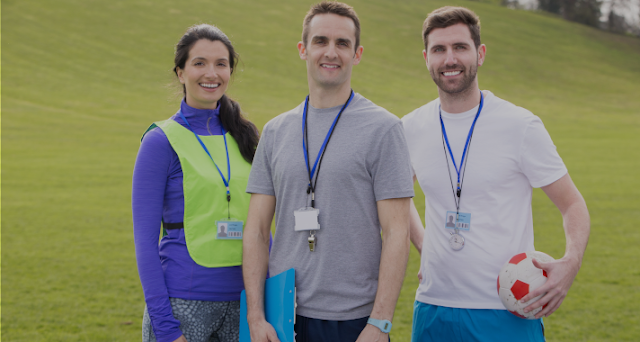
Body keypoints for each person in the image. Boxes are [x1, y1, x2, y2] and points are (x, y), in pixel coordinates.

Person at [402, 6, 590, 341]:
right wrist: (425, 243)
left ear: (480, 53)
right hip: (432, 308)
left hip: (507, 310)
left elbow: (572, 204)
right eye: (439, 49)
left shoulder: (520, 126)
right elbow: (397, 202)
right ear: (426, 58)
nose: (450, 59)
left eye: (460, 47)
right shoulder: (410, 128)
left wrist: (570, 263)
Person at [242, 2, 414, 341]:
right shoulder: (276, 131)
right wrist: (255, 315)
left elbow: (397, 233)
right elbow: (257, 231)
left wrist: (380, 323)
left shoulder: (384, 129)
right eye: (320, 41)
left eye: (342, 43)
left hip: (353, 321)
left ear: (357, 53)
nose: (330, 52)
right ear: (303, 50)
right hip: (282, 316)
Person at [132, 24, 259, 342]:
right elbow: (145, 243)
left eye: (221, 63)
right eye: (199, 63)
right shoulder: (160, 141)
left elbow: (261, 229)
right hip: (183, 306)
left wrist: (263, 307)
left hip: (245, 306)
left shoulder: (246, 138)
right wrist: (165, 327)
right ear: (180, 72)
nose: (211, 73)